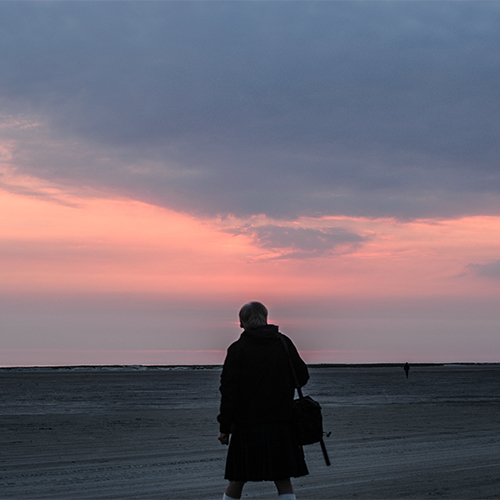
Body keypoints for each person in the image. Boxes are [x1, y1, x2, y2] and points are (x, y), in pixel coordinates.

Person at [217, 302, 309, 500]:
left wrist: (225, 427)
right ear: (265, 318)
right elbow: (302, 377)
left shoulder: (238, 348)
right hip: (281, 421)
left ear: (242, 323)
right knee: (283, 477)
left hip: (246, 424)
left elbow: (228, 391)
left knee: (237, 478)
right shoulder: (283, 343)